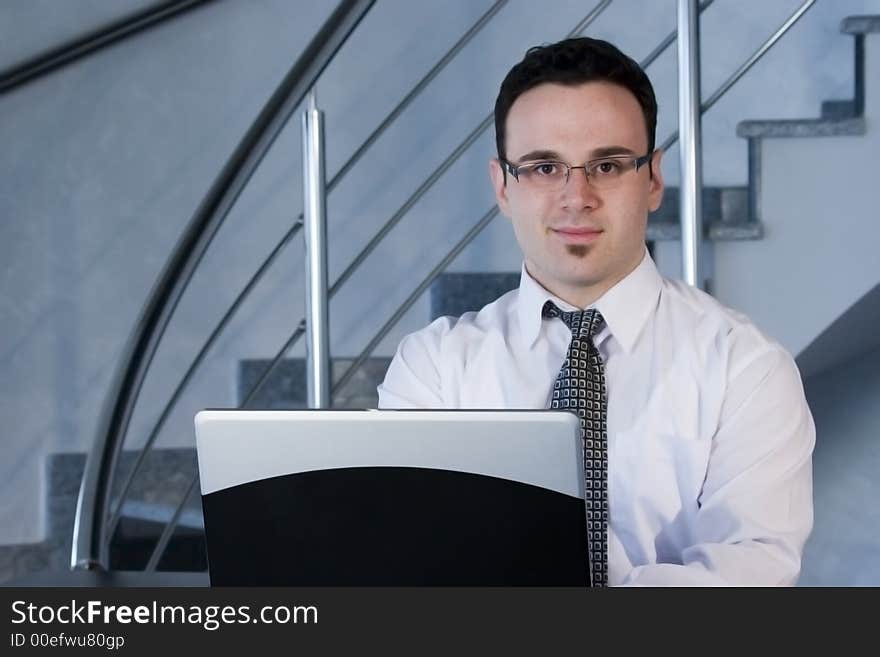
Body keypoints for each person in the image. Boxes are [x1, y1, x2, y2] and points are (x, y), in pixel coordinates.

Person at [377, 37, 815, 586]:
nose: (576, 196)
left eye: (606, 165)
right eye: (542, 168)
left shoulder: (746, 369)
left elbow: (751, 577)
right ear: (503, 187)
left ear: (653, 178)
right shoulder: (435, 368)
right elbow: (408, 564)